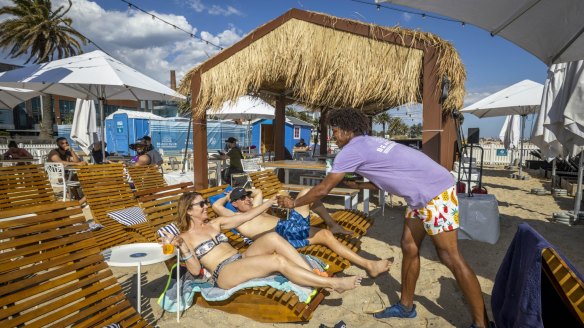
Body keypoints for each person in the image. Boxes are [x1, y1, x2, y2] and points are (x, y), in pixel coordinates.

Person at [277, 108, 488, 328]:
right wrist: (359, 185)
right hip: (420, 195)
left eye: (336, 131)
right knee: (409, 246)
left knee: (450, 257)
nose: (334, 136)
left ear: (348, 131)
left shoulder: (350, 151)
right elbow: (388, 175)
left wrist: (293, 203)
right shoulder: (370, 141)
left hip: (435, 193)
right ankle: (406, 307)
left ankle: (481, 324)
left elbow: (322, 189)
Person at [161, 191, 362, 292]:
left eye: (206, 202)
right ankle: (332, 283)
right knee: (276, 261)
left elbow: (245, 217)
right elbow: (195, 271)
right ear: (188, 210)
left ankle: (311, 275)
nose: (206, 206)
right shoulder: (184, 238)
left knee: (273, 238)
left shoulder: (216, 223)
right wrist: (183, 248)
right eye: (202, 204)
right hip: (224, 272)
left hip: (241, 257)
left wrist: (269, 202)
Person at [212, 187, 393, 277]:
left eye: (246, 196)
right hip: (283, 234)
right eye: (241, 198)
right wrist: (228, 196)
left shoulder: (255, 206)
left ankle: (368, 264)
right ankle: (333, 225)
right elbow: (215, 205)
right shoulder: (233, 217)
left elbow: (257, 191)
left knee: (325, 235)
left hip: (290, 229)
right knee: (307, 193)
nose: (247, 199)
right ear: (234, 204)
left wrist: (246, 192)